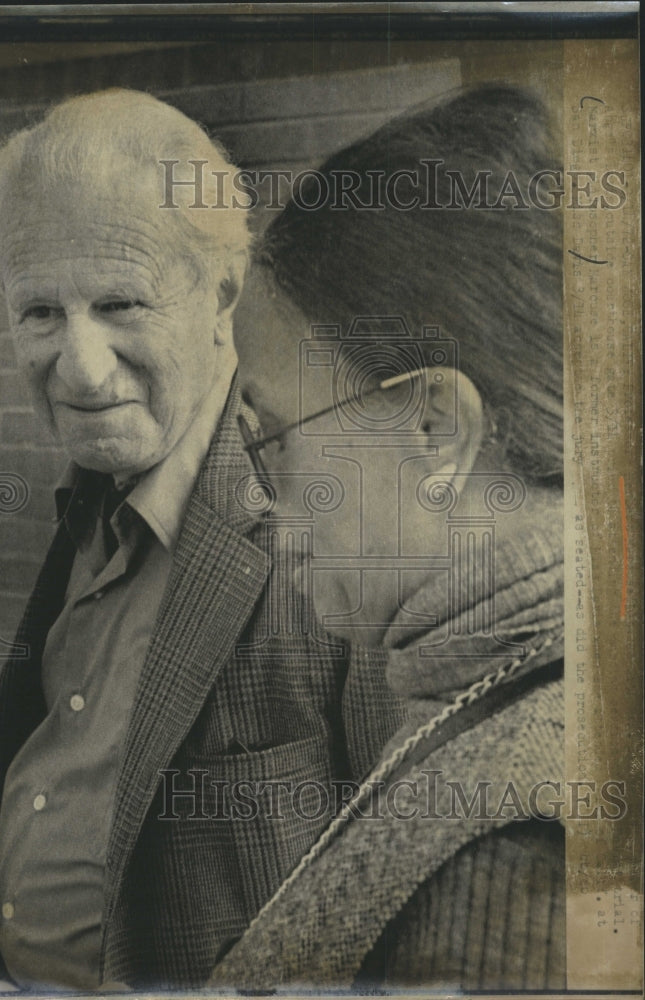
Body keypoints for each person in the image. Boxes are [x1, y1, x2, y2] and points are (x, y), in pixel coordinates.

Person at [0, 88, 406, 991]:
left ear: (220, 297)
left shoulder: (341, 522)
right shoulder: (99, 481)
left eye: (121, 302)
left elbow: (409, 909)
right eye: (39, 312)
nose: (79, 371)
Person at [218, 85, 565, 990]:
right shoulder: (504, 685)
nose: (260, 500)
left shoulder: (520, 853)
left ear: (433, 427)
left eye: (272, 438)